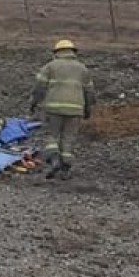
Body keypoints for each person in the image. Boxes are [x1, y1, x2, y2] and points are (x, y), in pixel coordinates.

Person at [30, 39, 95, 179]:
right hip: (76, 110)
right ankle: (65, 168)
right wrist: (88, 108)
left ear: (56, 52)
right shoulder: (83, 69)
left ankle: (54, 160)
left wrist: (34, 102)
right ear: (73, 52)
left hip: (53, 109)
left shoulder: (50, 67)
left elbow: (39, 87)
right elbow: (89, 91)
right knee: (68, 138)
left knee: (51, 135)